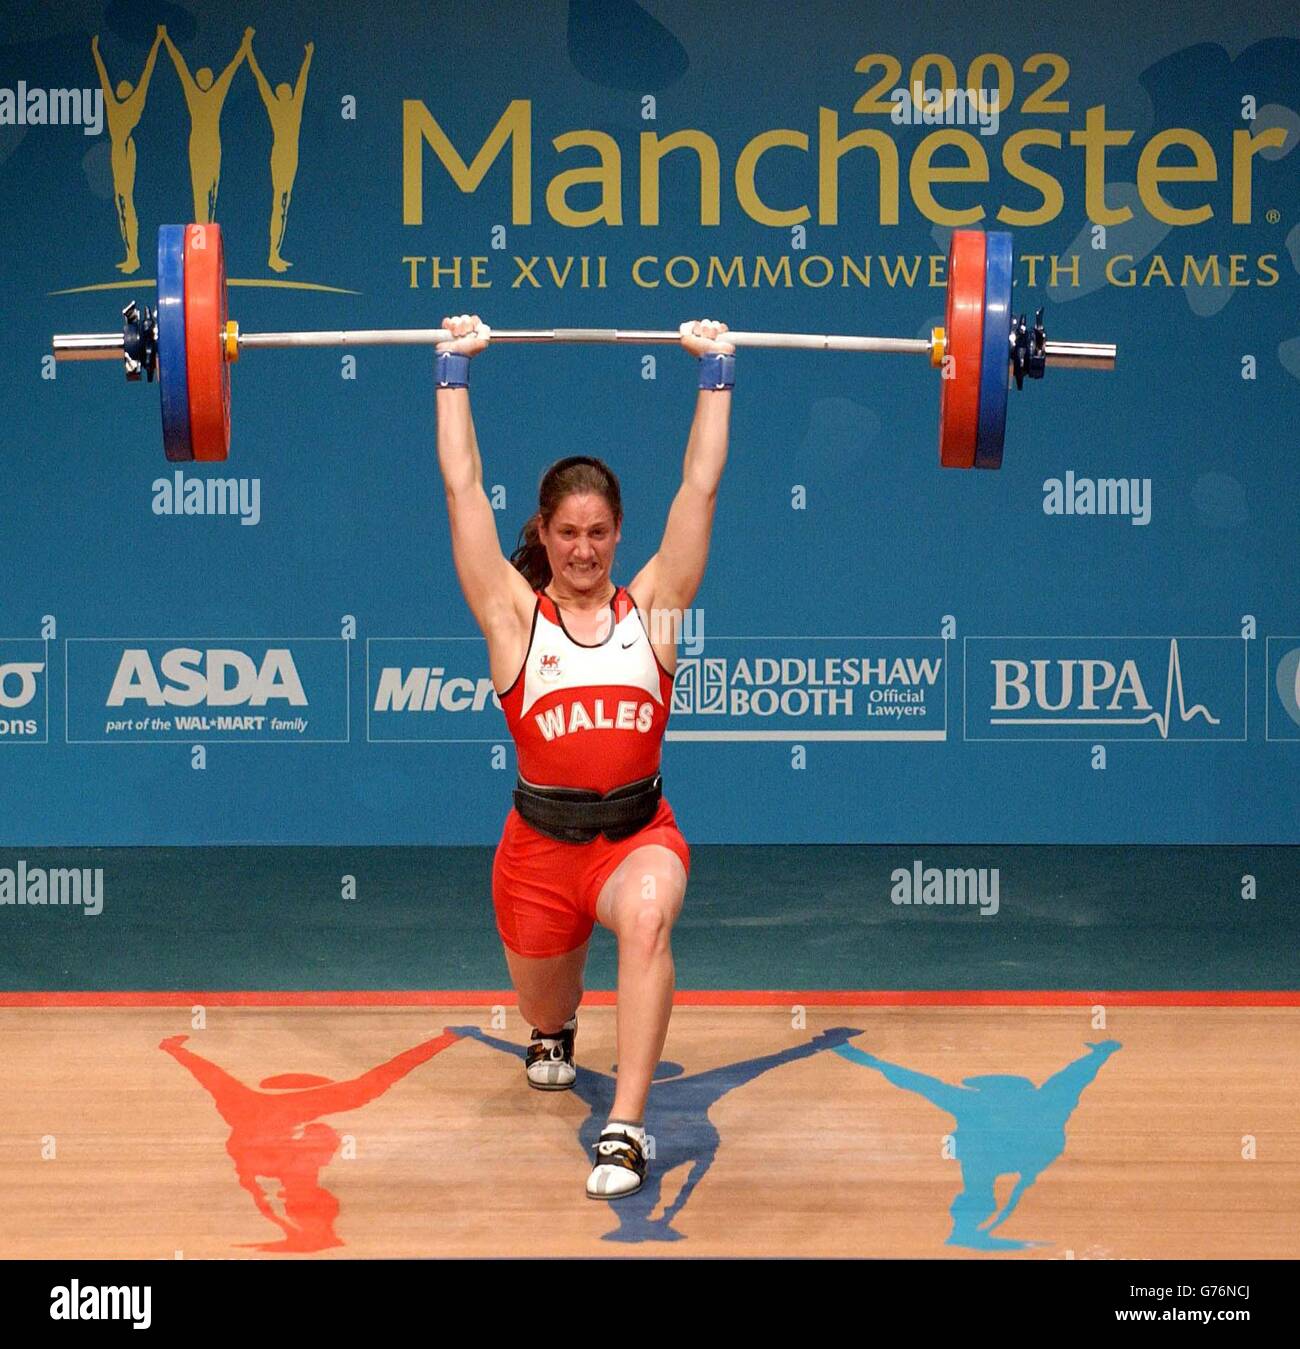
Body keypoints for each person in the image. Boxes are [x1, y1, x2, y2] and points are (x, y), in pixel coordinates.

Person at [434, 314, 735, 1198]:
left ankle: (627, 1128)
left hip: (636, 836)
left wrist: (716, 373)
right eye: (567, 532)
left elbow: (700, 489)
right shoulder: (512, 619)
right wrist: (451, 372)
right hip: (536, 854)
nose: (583, 548)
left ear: (617, 532)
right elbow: (460, 491)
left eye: (599, 531)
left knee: (648, 916)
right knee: (542, 1001)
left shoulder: (659, 612)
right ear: (544, 531)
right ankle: (553, 1027)